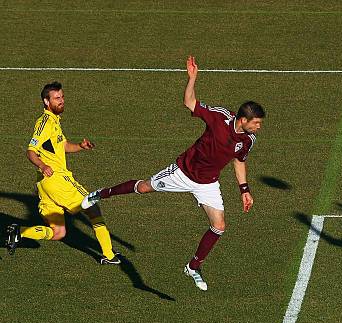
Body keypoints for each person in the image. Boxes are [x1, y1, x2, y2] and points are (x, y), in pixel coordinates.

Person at [81, 56, 265, 291]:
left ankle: (193, 267)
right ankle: (100, 193)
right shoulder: (219, 117)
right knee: (145, 187)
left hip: (207, 183)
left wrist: (244, 190)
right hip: (183, 172)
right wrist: (192, 79)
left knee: (219, 225)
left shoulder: (249, 139)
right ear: (243, 119)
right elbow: (190, 103)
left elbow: (239, 161)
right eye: (256, 123)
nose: (258, 127)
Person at [5, 82, 121, 265]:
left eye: (62, 97)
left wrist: (80, 147)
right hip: (57, 179)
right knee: (92, 207)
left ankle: (19, 232)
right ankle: (109, 255)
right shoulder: (44, 123)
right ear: (46, 101)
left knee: (58, 232)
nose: (61, 101)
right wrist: (43, 165)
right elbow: (30, 151)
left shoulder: (54, 122)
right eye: (57, 98)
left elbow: (64, 146)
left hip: (45, 185)